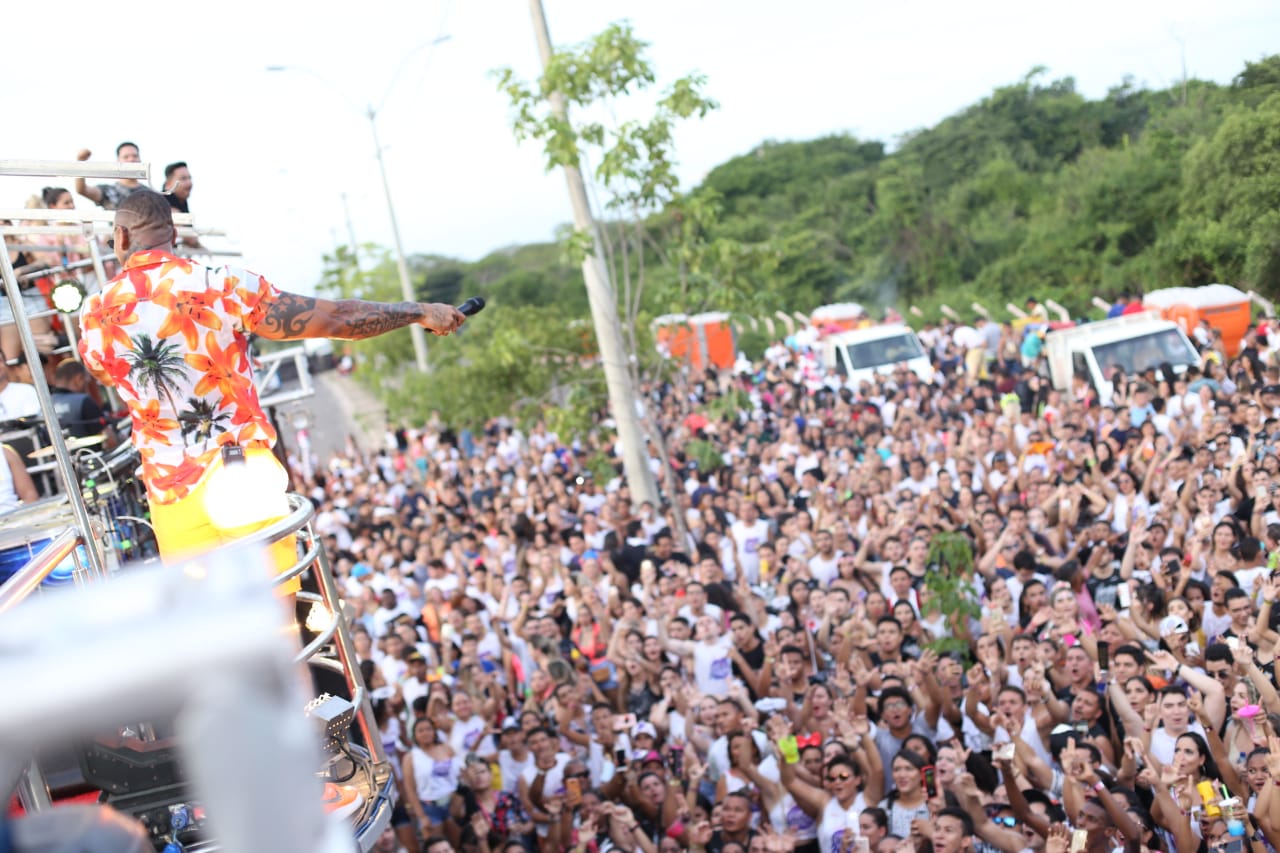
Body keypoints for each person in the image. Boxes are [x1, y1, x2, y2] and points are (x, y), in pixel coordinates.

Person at [77, 190, 464, 584]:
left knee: (206, 630)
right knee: (277, 620)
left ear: (121, 237)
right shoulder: (219, 285)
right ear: (172, 233)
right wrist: (419, 312)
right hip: (241, 473)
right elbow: (338, 319)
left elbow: (104, 373)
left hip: (170, 493)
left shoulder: (94, 313)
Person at [74, 142, 146, 210]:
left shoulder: (149, 193)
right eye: (126, 157)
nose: (131, 160)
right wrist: (81, 162)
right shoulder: (108, 191)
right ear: (118, 161)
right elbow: (82, 190)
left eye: (135, 156)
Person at [49, 360, 109, 440]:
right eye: (86, 382)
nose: (86, 387)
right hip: (91, 452)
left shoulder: (45, 407)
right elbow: (108, 439)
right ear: (78, 379)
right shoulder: (84, 401)